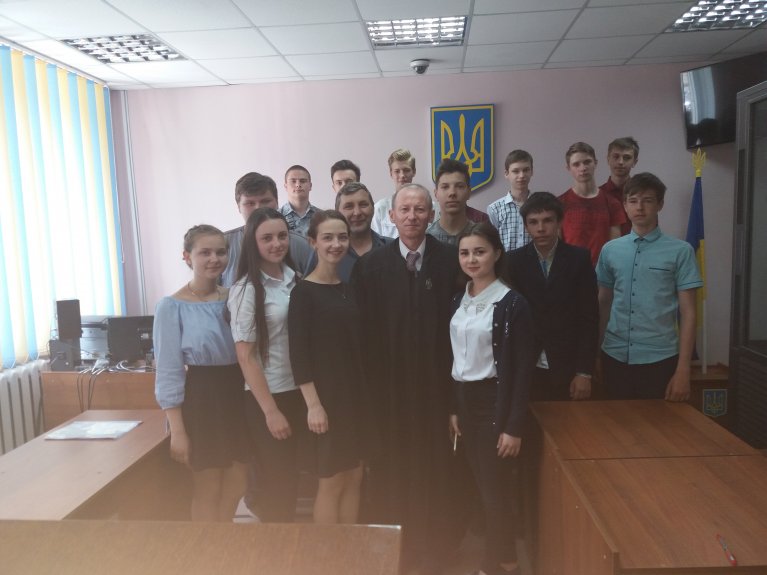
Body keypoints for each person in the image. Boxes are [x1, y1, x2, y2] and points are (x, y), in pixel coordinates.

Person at [351, 183, 462, 574]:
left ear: (431, 215)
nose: (412, 216)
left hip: (436, 388)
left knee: (435, 468)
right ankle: (394, 548)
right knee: (391, 467)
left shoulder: (451, 261)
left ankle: (436, 548)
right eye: (405, 210)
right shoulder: (370, 267)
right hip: (389, 392)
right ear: (392, 216)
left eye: (419, 209)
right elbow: (362, 337)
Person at [449, 222, 533, 575]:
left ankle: (494, 566)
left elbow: (522, 371)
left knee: (495, 492)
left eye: (480, 252)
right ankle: (508, 562)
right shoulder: (459, 298)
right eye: (465, 253)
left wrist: (513, 426)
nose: (472, 259)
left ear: (497, 253)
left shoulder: (512, 303)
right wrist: (454, 408)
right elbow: (456, 359)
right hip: (465, 401)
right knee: (482, 489)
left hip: (494, 403)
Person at [153, 224, 250, 521]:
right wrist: (178, 431)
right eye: (205, 252)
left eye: (220, 252)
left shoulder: (235, 296)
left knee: (238, 481)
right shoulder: (171, 306)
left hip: (239, 394)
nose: (214, 259)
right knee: (208, 486)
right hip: (202, 400)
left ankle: (223, 537)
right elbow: (168, 371)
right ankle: (208, 546)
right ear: (187, 257)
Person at [597, 172, 703, 400]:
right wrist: (595, 354)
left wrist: (683, 369)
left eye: (647, 200)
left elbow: (689, 313)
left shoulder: (681, 251)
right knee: (614, 421)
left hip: (660, 359)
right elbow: (603, 303)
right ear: (625, 206)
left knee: (658, 422)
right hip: (614, 356)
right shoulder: (610, 250)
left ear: (660, 204)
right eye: (633, 201)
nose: (640, 207)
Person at [288, 210, 365, 524]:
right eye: (328, 237)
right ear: (313, 242)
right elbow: (299, 354)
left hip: (354, 399)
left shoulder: (349, 288)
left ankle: (349, 550)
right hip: (325, 401)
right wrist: (314, 405)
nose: (336, 244)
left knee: (354, 478)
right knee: (331, 482)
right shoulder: (303, 293)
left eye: (342, 237)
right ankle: (327, 553)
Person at [228, 208, 305, 522]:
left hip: (299, 391)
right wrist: (271, 411)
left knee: (291, 480)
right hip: (268, 398)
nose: (277, 243)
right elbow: (246, 357)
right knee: (277, 483)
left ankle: (288, 544)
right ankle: (274, 547)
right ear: (253, 243)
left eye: (282, 236)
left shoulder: (295, 279)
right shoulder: (246, 289)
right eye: (267, 238)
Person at [507, 192, 598, 401]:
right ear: (526, 226)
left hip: (567, 365)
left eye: (547, 220)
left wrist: (584, 372)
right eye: (533, 222)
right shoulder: (513, 262)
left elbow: (589, 319)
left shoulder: (579, 259)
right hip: (526, 365)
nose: (541, 228)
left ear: (559, 222)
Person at [221, 171, 311, 286]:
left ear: (277, 203)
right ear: (239, 207)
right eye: (250, 203)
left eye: (265, 201)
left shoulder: (301, 245)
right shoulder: (223, 244)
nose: (258, 208)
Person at [306, 182, 392, 281]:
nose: (357, 212)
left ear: (373, 209)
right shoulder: (322, 253)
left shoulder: (393, 248)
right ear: (338, 212)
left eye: (363, 205)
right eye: (349, 206)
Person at [558, 142, 626, 266]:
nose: (582, 168)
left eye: (587, 162)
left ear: (595, 163)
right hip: (570, 271)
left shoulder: (612, 203)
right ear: (568, 168)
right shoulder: (559, 203)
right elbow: (556, 246)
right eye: (576, 164)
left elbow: (615, 247)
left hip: (602, 272)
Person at [488, 150, 534, 252]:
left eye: (526, 170)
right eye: (516, 171)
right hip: (505, 261)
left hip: (535, 261)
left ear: (532, 172)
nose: (521, 175)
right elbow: (491, 243)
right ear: (506, 174)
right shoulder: (495, 209)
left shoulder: (540, 206)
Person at [427, 158, 476, 245]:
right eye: (445, 187)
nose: (452, 193)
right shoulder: (425, 239)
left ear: (469, 192)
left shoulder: (481, 238)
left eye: (459, 186)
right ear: (436, 193)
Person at [371, 148, 417, 239]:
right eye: (397, 171)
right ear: (391, 173)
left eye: (406, 170)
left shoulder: (428, 206)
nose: (402, 175)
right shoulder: (380, 208)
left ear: (414, 172)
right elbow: (376, 242)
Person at [601, 137, 639, 236]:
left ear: (634, 162)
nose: (620, 162)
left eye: (626, 157)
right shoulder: (596, 195)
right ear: (608, 159)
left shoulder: (643, 195)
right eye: (616, 156)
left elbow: (650, 231)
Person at [280, 164, 318, 237]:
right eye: (293, 181)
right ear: (285, 186)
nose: (298, 185)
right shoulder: (276, 216)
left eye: (303, 181)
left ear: (310, 186)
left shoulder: (322, 216)